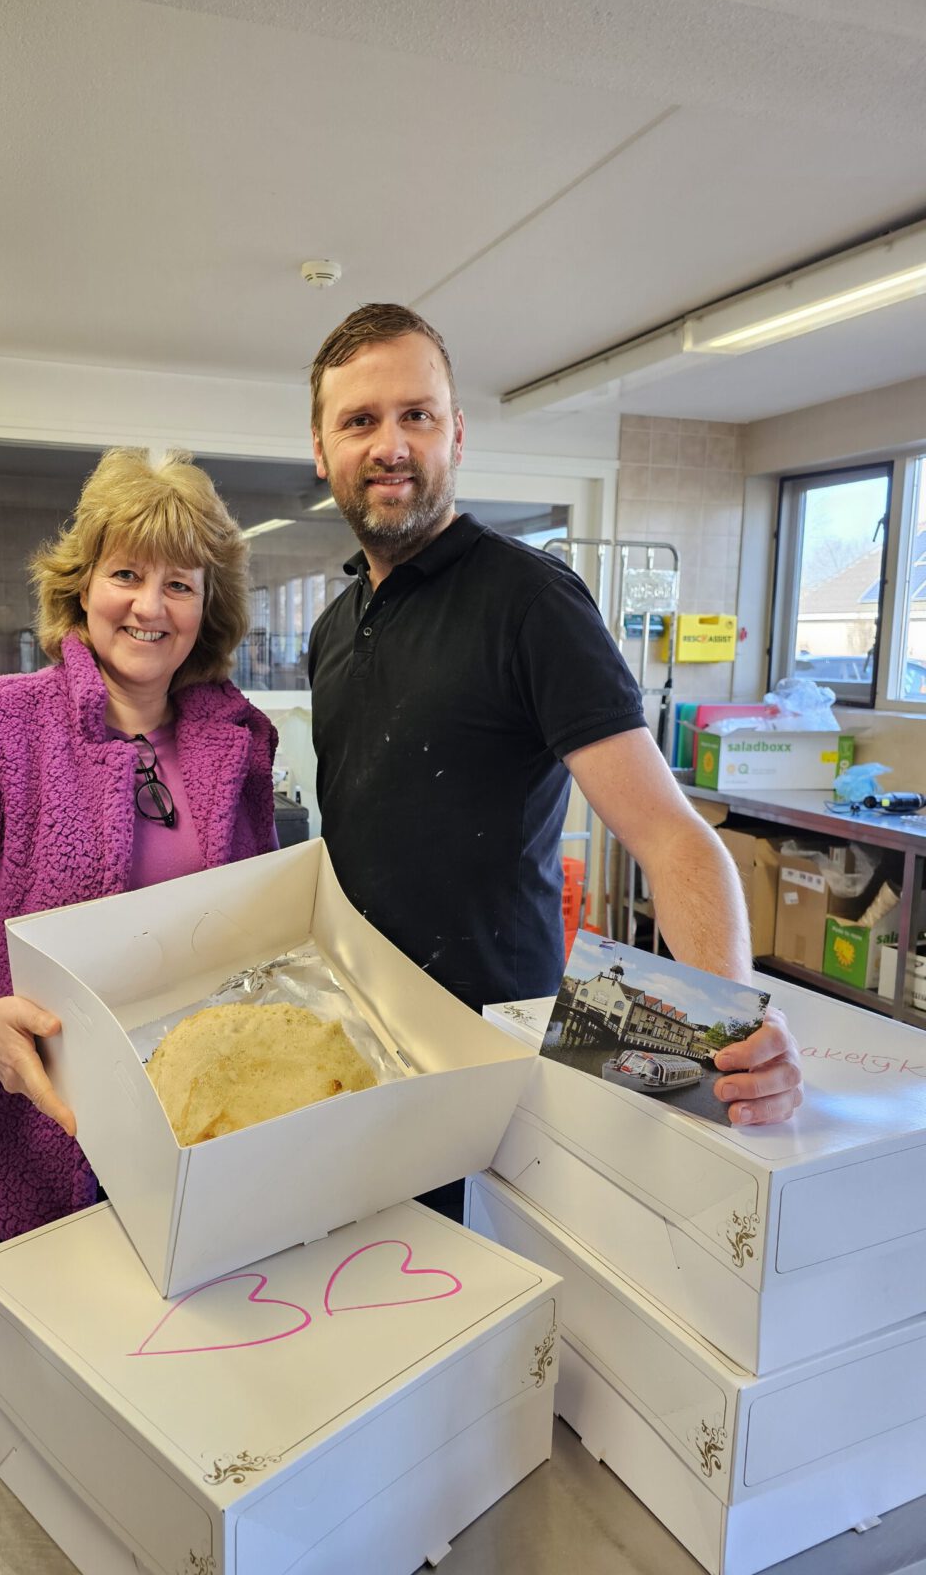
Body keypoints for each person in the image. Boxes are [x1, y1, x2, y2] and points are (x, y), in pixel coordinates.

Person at [306, 304, 801, 1209]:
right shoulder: (335, 626)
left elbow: (671, 836)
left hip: (495, 1059)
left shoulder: (530, 601)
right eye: (360, 420)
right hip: (360, 1046)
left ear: (455, 433)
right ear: (321, 448)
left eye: (417, 414)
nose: (390, 443)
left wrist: (731, 1031)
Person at [0, 447, 278, 1254]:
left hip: (191, 1132)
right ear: (82, 586)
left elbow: (258, 932)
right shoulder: (1, 730)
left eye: (180, 584)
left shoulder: (237, 744)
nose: (148, 607)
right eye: (126, 574)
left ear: (206, 608)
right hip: (25, 1132)